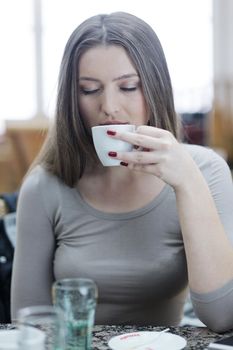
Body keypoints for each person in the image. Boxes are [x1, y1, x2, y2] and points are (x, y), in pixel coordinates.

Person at [11, 12, 233, 332]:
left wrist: (187, 183)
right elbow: (28, 323)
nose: (110, 107)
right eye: (89, 90)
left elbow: (223, 317)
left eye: (128, 87)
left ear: (155, 88)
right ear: (72, 99)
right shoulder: (44, 187)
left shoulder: (206, 172)